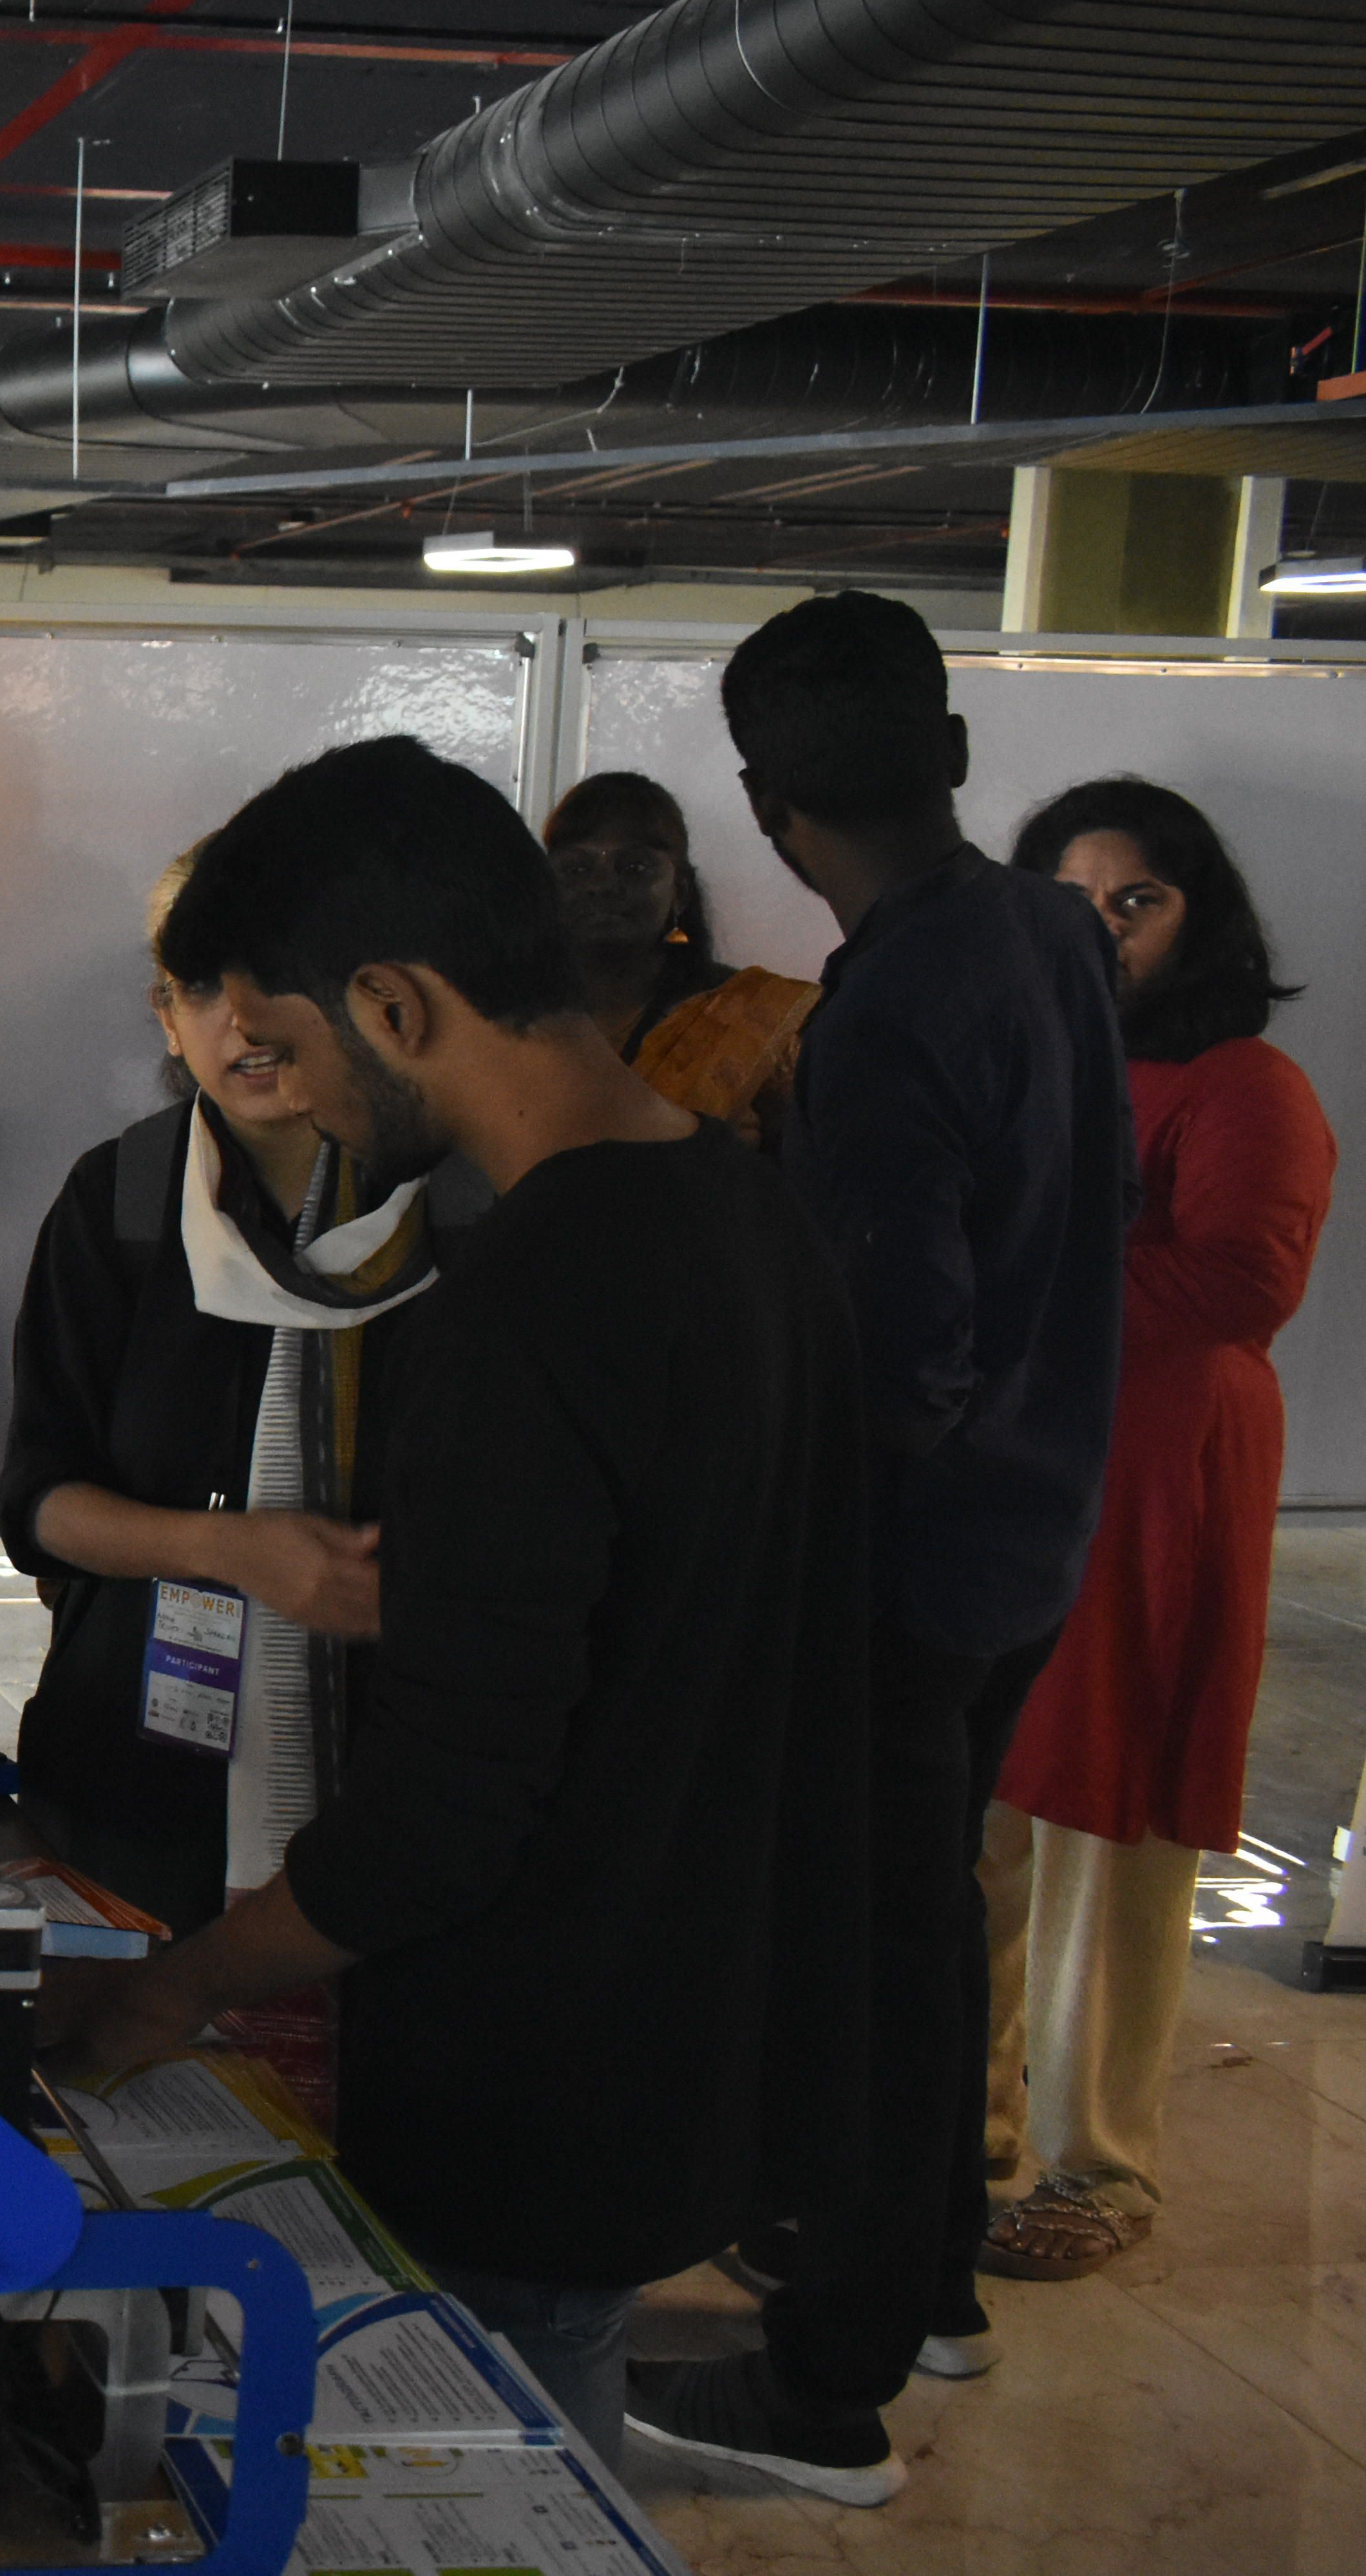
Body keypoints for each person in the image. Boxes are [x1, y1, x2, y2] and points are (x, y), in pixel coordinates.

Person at [57, 735, 875, 2472]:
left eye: (294, 1049)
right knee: (552, 2442)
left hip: (523, 2082)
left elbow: (445, 1816)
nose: (298, 1099)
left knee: (483, 2472)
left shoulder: (528, 1298)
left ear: (397, 1006)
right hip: (681, 2040)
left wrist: (180, 1985)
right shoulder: (750, 1217)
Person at [627, 591, 1133, 2505]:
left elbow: (892, 1357)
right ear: (955, 754)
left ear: (766, 807)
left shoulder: (893, 1002)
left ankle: (825, 2388)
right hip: (1034, 1525)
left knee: (866, 1961)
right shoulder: (1044, 933)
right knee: (924, 1926)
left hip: (906, 1559)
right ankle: (930, 2285)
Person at [979, 779, 1331, 2282]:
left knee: (1111, 1811)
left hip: (1160, 1472)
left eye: (1139, 901)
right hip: (1010, 1468)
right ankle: (969, 2129)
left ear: (1201, 918)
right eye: (1074, 902)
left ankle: (1100, 2159)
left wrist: (1010, 1279)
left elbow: (1240, 1283)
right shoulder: (1024, 1061)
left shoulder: (1245, 1083)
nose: (1104, 929)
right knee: (985, 1806)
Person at [0, 851, 450, 1946]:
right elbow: (38, 1503)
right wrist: (230, 1550)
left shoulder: (456, 1208)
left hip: (405, 1769)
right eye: (200, 988)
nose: (241, 1022)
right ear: (165, 1016)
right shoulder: (121, 1202)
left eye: (274, 976)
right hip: (141, 1780)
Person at [544, 770, 817, 1142]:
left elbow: (815, 1162)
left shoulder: (749, 1017)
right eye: (576, 868)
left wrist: (726, 1153)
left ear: (681, 891)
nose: (601, 885)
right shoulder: (512, 1014)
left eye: (635, 867)